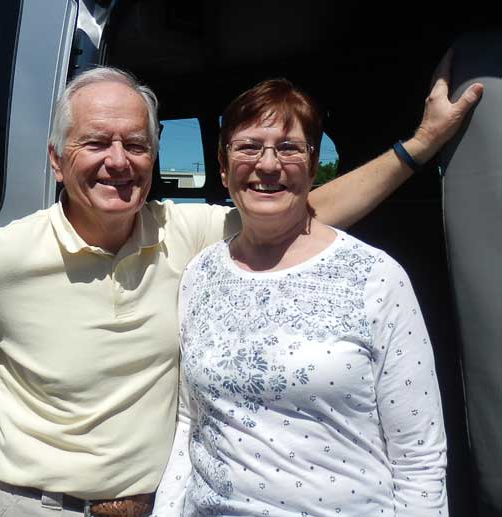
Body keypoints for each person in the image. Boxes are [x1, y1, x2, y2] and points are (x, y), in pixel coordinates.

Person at [0, 56, 481, 517]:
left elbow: (295, 208)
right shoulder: (4, 257)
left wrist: (418, 147)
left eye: (136, 144)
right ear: (57, 161)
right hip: (42, 508)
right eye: (96, 142)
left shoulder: (186, 235)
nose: (119, 160)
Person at [152, 77, 451, 516]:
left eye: (290, 148)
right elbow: (191, 422)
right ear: (222, 165)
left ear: (313, 167)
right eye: (248, 146)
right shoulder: (199, 274)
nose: (268, 164)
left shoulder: (375, 277)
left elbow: (420, 459)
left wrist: (424, 142)